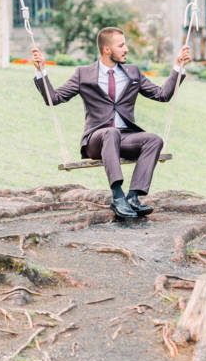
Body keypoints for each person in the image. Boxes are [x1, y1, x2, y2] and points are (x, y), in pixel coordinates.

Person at [31, 27, 191, 220]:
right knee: (110, 133)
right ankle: (117, 196)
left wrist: (177, 68)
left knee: (154, 140)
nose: (126, 49)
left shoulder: (133, 73)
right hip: (96, 140)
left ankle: (133, 197)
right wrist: (41, 72)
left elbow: (162, 95)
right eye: (121, 45)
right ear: (107, 49)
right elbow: (53, 98)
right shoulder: (84, 74)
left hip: (125, 137)